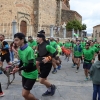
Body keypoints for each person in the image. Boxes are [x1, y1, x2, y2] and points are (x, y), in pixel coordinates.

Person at [11, 33, 38, 100]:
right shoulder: (20, 50)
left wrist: (19, 69)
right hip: (25, 74)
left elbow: (31, 65)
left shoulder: (29, 50)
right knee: (26, 94)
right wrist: (17, 67)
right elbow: (22, 61)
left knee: (24, 94)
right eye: (14, 40)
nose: (15, 42)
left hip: (32, 73)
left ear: (22, 40)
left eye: (16, 40)